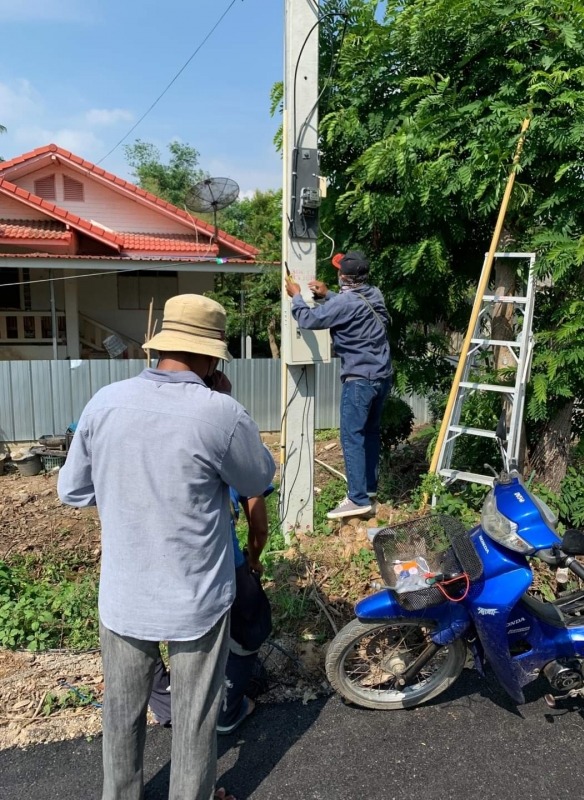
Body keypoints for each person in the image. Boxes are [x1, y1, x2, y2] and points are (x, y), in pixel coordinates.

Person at [58, 294, 275, 800]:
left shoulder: (104, 402)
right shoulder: (221, 413)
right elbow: (257, 478)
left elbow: (73, 491)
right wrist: (225, 403)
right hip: (197, 597)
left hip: (125, 593)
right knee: (194, 719)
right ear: (212, 357)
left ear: (160, 346)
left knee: (121, 714)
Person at [149, 487, 273, 735]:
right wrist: (253, 558)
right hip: (218, 564)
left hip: (147, 567)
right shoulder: (228, 459)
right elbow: (259, 525)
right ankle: (227, 710)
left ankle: (169, 708)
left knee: (142, 636)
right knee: (250, 625)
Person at [286, 251, 393, 520]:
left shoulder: (345, 302)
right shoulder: (375, 294)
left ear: (344, 276)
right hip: (382, 377)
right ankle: (369, 490)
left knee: (351, 437)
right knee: (370, 433)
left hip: (359, 380)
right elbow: (352, 305)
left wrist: (296, 297)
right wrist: (328, 294)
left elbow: (310, 320)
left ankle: (356, 499)